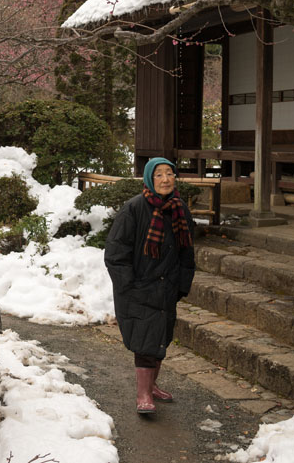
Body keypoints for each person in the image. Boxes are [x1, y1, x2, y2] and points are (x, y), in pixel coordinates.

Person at [104, 157, 196, 414]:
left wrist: (182, 284)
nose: (166, 179)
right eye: (159, 174)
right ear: (148, 178)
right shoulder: (133, 209)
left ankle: (153, 386)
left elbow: (187, 251)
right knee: (145, 339)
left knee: (160, 338)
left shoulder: (179, 209)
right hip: (139, 288)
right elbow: (115, 253)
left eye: (169, 173)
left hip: (167, 287)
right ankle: (143, 394)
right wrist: (129, 285)